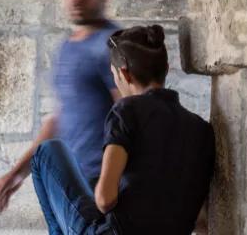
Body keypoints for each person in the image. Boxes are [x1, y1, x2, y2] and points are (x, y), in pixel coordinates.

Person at [30, 25, 214, 234]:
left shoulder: (126, 110)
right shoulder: (202, 129)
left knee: (46, 152)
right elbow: (200, 219)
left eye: (114, 75)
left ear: (124, 74)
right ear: (167, 68)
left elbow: (104, 200)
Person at [0, 0, 122, 213]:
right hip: (70, 182)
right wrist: (16, 174)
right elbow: (60, 119)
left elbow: (129, 115)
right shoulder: (68, 47)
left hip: (101, 185)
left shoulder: (114, 44)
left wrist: (111, 184)